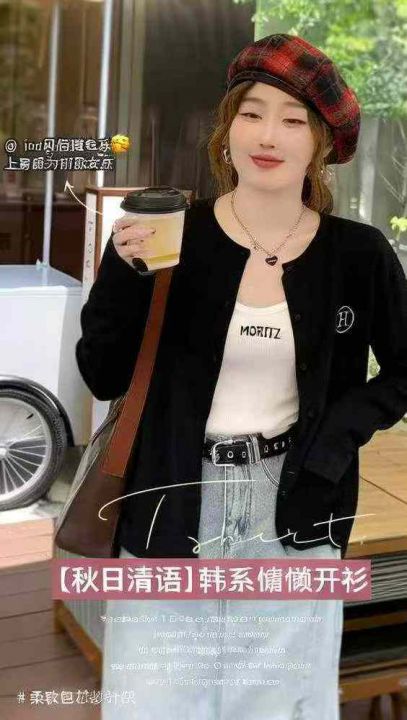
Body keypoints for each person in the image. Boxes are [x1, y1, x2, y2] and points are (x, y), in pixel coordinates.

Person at [75, 34, 407, 720]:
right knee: (153, 702)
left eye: (293, 121)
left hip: (296, 507)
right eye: (251, 113)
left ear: (320, 145)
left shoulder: (358, 255)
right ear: (227, 130)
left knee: (278, 703)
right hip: (170, 497)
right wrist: (125, 278)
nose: (268, 135)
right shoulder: (169, 235)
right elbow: (102, 374)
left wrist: (337, 438)